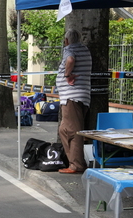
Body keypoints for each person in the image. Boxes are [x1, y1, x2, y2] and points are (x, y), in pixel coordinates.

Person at [56, 29, 92, 174]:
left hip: (72, 96)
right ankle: (73, 160)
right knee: (63, 130)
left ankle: (76, 165)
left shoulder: (69, 49)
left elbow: (70, 60)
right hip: (80, 95)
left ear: (66, 41)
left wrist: (67, 75)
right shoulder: (85, 50)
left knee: (73, 131)